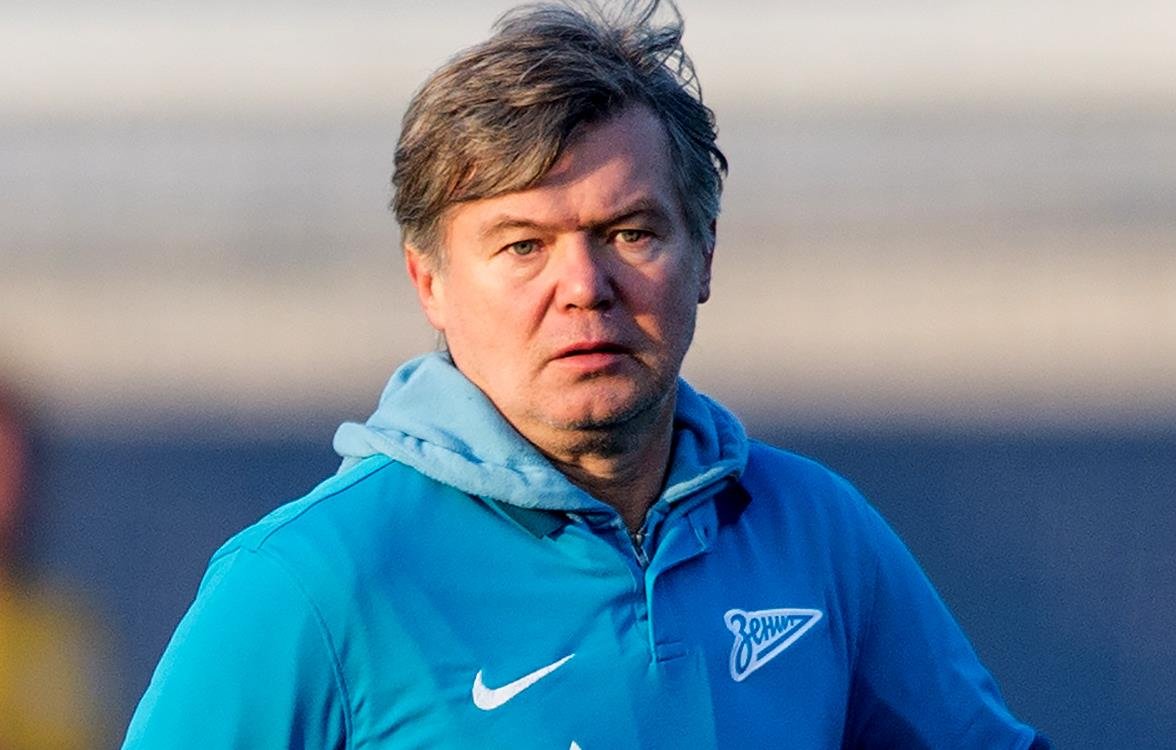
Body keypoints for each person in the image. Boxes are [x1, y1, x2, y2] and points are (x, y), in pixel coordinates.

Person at [124, 1, 1049, 747]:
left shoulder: (817, 532)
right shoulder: (310, 583)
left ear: (705, 254)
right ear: (428, 282)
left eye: (630, 233)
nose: (584, 286)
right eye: (523, 245)